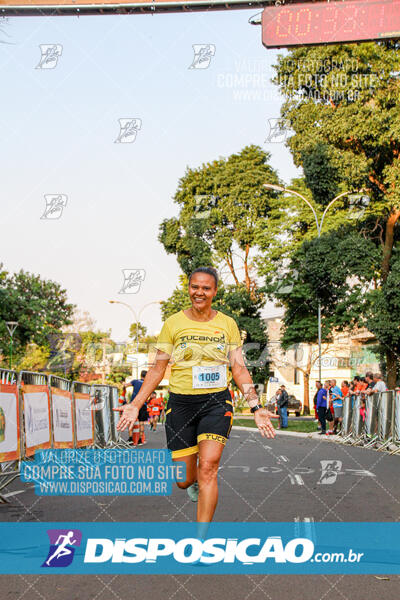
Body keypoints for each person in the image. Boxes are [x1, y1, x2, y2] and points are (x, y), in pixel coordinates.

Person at [115, 266, 275, 528]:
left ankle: (200, 540)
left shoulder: (227, 324)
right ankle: (193, 482)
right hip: (181, 404)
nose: (199, 292)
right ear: (189, 288)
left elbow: (239, 368)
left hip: (216, 402)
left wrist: (256, 406)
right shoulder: (173, 324)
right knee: (183, 479)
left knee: (209, 467)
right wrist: (135, 404)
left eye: (206, 288)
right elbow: (158, 368)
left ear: (214, 291)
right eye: (195, 287)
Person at [126, 370, 148, 446]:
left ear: (140, 375)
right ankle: (139, 440)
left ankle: (130, 438)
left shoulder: (135, 381)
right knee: (141, 422)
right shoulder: (147, 383)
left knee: (131, 421)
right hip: (143, 404)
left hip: (134, 404)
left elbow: (126, 385)